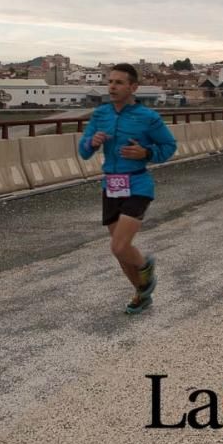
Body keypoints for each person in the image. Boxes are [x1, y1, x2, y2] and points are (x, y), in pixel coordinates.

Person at [78, 63, 177, 314]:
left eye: (119, 82)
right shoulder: (100, 114)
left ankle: (146, 266)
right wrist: (93, 141)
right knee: (120, 251)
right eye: (110, 81)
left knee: (120, 246)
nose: (112, 86)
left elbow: (169, 147)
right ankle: (141, 294)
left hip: (138, 184)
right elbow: (83, 150)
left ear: (133, 87)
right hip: (111, 185)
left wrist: (146, 152)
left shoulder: (148, 117)